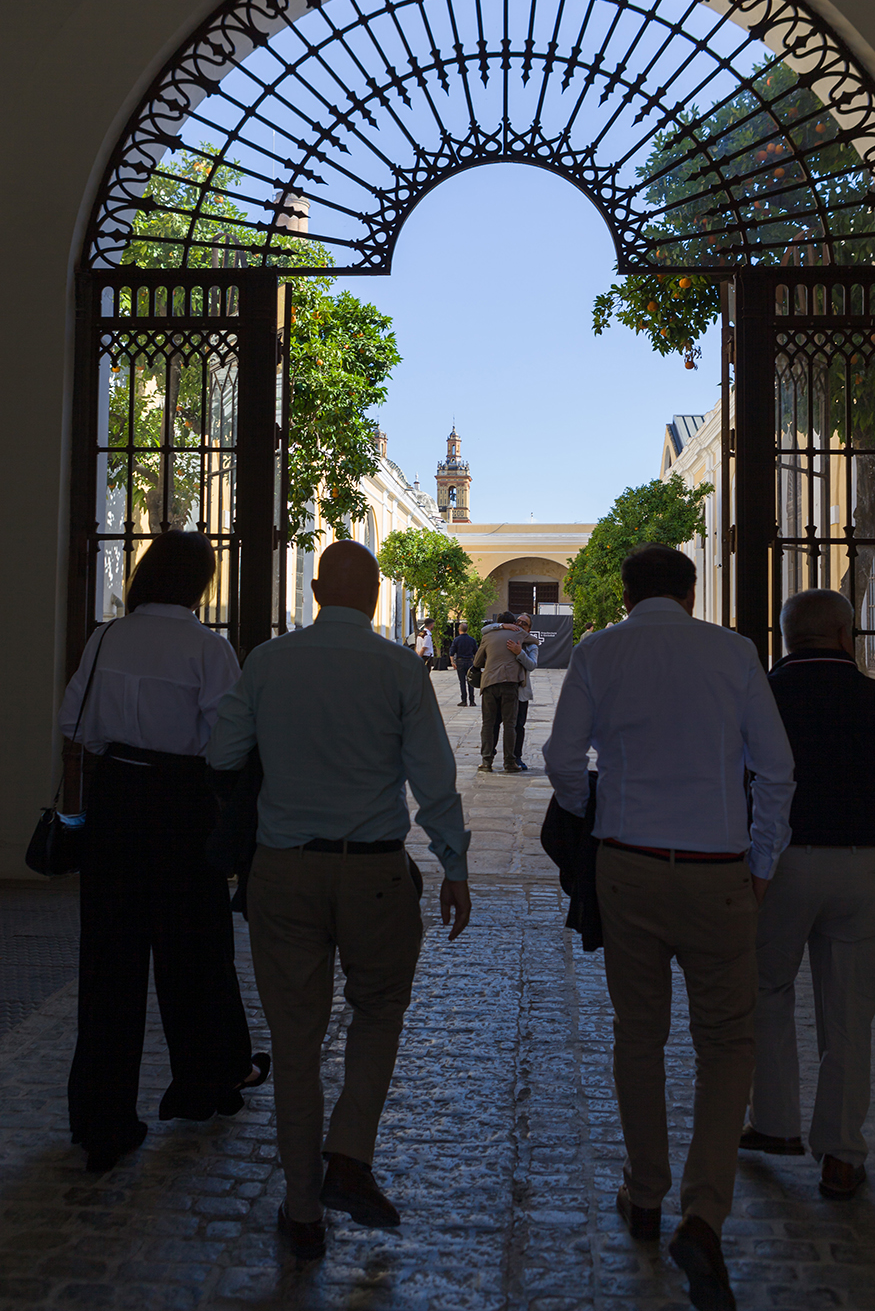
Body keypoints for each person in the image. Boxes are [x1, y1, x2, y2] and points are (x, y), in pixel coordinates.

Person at [543, 544, 795, 1311]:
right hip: (718, 870)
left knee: (638, 1034)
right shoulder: (734, 652)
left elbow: (562, 759)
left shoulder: (599, 652)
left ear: (625, 595)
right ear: (690, 592)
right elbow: (776, 769)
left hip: (629, 865)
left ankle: (645, 1191)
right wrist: (762, 861)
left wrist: (590, 818)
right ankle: (703, 1213)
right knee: (726, 1043)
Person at [207, 541, 472, 1261]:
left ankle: (301, 1211)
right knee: (378, 1013)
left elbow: (222, 754)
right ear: (377, 596)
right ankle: (350, 1152)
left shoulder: (268, 662)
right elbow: (434, 778)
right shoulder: (399, 668)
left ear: (317, 590)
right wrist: (454, 865)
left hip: (284, 871)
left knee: (295, 1044)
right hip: (375, 874)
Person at [60, 531, 267, 1174]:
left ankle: (102, 1120)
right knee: (196, 951)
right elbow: (227, 742)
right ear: (200, 582)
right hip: (182, 805)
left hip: (115, 801)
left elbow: (73, 723)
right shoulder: (208, 648)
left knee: (108, 962)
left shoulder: (105, 638)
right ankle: (207, 1082)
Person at [741, 589, 875, 1200]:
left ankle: (774, 1124)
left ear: (787, 636)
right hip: (859, 866)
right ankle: (842, 1154)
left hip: (779, 865)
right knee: (848, 1013)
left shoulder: (763, 696)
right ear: (847, 635)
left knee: (767, 992)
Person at [473, 612, 540, 773]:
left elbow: (532, 664)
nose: (520, 624)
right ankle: (509, 762)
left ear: (529, 629)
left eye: (524, 623)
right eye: (518, 621)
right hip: (511, 684)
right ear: (512, 623)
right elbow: (536, 640)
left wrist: (518, 652)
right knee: (507, 724)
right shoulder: (517, 634)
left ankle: (489, 760)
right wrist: (503, 627)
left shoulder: (490, 636)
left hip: (495, 684)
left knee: (499, 724)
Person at [448, 621, 479, 705]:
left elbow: (451, 652)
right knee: (470, 681)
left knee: (462, 682)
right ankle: (472, 700)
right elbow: (476, 652)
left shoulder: (456, 640)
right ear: (467, 630)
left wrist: (452, 662)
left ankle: (464, 700)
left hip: (460, 661)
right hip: (469, 661)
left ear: (459, 630)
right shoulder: (472, 640)